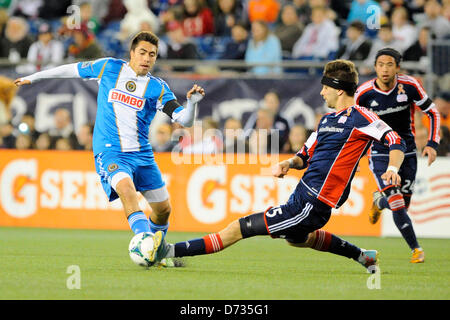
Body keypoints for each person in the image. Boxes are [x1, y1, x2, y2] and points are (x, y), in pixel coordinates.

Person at [149, 59, 406, 272]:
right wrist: (289, 162)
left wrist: (392, 169)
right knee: (299, 239)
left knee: (240, 228)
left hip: (315, 202)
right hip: (302, 193)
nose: (321, 92)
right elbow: (305, 155)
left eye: (325, 87)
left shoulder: (363, 118)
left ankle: (168, 250)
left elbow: (395, 141)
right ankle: (364, 256)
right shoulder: (326, 120)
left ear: (338, 89)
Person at [15, 31, 206, 267]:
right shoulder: (108, 67)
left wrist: (193, 104)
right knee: (127, 189)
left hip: (142, 155)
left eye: (153, 55)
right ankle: (147, 246)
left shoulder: (157, 88)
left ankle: (156, 251)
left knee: (163, 210)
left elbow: (184, 120)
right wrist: (33, 77)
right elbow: (71, 69)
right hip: (110, 151)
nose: (147, 58)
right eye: (143, 52)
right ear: (132, 53)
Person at [354, 48, 441, 263]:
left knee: (402, 205)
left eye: (390, 64)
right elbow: (354, 126)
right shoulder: (364, 94)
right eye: (381, 64)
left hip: (407, 151)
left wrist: (432, 143)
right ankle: (416, 249)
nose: (385, 69)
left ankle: (378, 202)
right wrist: (354, 156)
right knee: (397, 201)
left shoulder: (410, 86)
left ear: (397, 67)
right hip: (380, 153)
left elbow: (433, 112)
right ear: (375, 67)